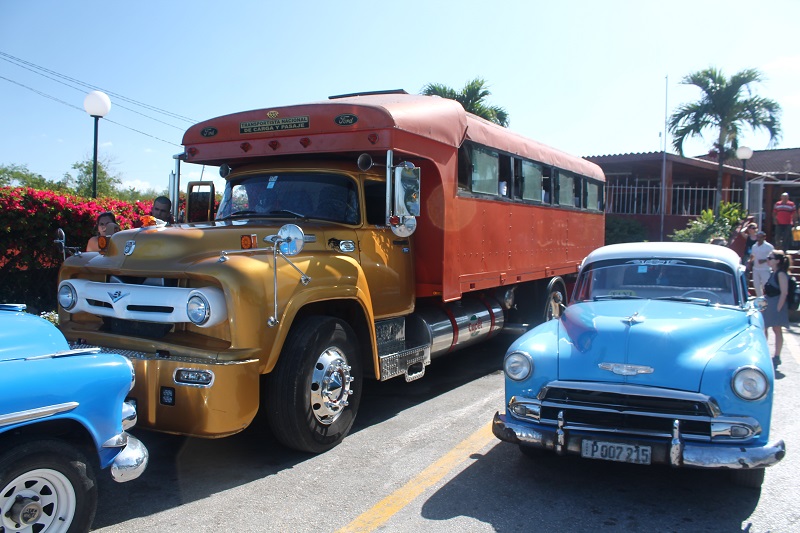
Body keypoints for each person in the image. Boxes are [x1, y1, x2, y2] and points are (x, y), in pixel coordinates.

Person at [763, 250, 791, 368]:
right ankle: (765, 353)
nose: (768, 260)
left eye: (770, 258)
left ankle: (777, 356)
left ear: (777, 261)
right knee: (764, 328)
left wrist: (778, 308)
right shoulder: (773, 273)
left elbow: (784, 292)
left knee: (777, 329)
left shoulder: (781, 274)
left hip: (776, 305)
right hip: (769, 304)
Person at [750, 231, 774, 297]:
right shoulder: (754, 246)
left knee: (765, 285)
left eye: (760, 237)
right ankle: (759, 299)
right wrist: (750, 261)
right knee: (756, 285)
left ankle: (767, 298)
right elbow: (753, 255)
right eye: (758, 237)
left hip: (765, 269)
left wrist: (764, 260)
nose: (759, 239)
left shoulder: (769, 247)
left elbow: (772, 257)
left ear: (764, 237)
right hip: (756, 269)